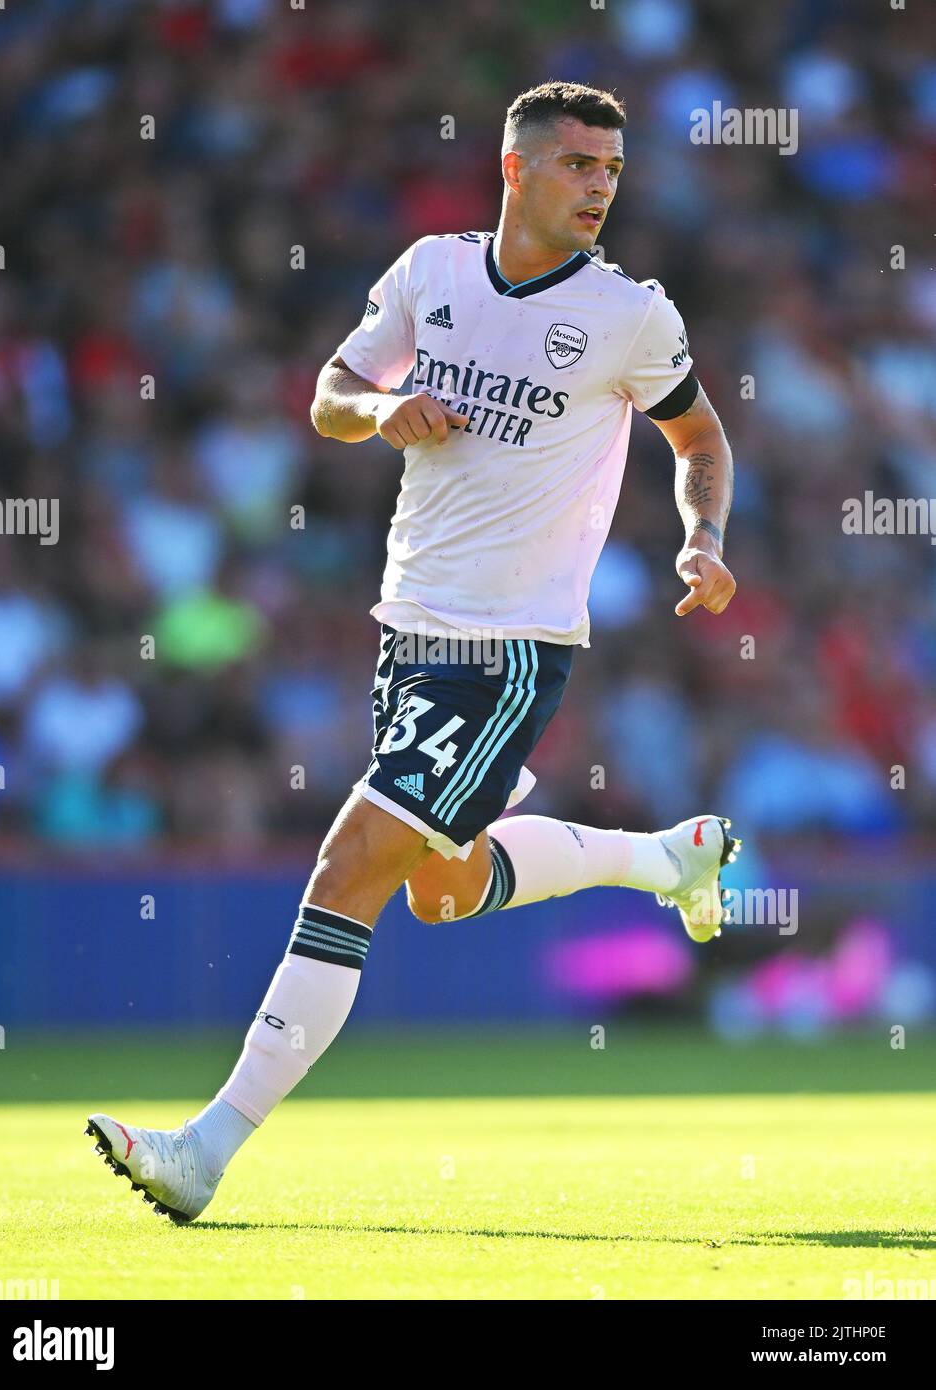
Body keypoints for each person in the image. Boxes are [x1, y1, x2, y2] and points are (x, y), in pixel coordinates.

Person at [86, 80, 739, 1223]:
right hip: (407, 635)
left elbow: (698, 434)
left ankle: (206, 1146)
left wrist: (704, 536)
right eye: (578, 164)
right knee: (438, 888)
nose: (598, 187)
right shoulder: (431, 275)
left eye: (611, 171)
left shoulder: (631, 316)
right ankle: (667, 859)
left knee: (349, 869)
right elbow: (331, 396)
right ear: (514, 167)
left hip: (510, 649)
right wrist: (381, 411)